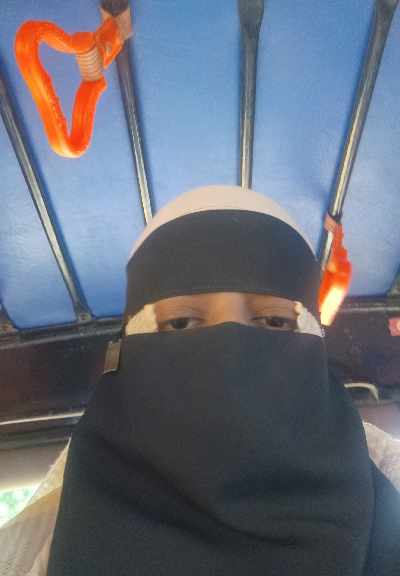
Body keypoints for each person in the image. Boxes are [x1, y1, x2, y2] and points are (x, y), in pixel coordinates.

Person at [1, 185, 400, 575]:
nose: (230, 351)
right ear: (127, 352)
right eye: (180, 323)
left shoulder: (385, 479)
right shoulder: (34, 546)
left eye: (275, 321)